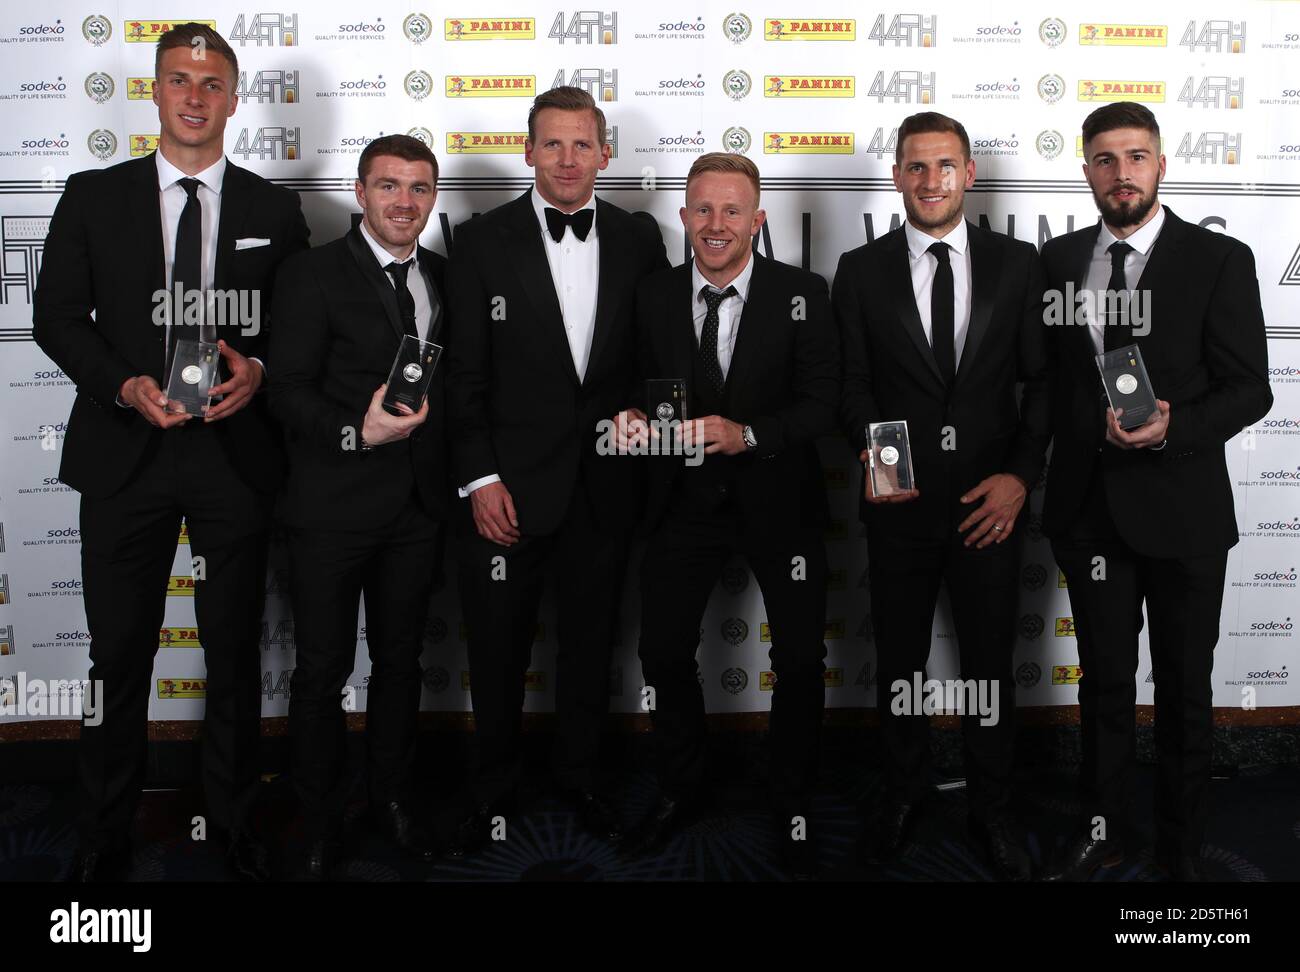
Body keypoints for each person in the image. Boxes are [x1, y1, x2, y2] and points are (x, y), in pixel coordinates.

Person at [32, 22, 309, 881]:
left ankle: (227, 821)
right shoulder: (91, 194)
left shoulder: (274, 209)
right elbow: (56, 318)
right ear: (154, 92)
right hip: (126, 452)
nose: (195, 95)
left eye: (212, 81)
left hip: (234, 455)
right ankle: (105, 828)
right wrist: (123, 386)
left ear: (234, 97)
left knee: (230, 648)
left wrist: (259, 371)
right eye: (179, 78)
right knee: (118, 652)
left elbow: (297, 333)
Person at [1039, 102, 1272, 882]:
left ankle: (1179, 850)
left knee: (1183, 689)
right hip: (1090, 512)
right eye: (1105, 159)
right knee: (1104, 685)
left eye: (1136, 156)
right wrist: (1089, 426)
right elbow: (1045, 387)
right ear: (1087, 172)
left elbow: (1250, 390)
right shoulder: (1059, 262)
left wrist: (1173, 426)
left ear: (1161, 165)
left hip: (1185, 516)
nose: (1122, 173)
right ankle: (1101, 831)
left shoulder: (1219, 259)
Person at [444, 86, 668, 853]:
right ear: (529, 150)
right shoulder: (478, 243)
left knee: (590, 646)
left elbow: (657, 359)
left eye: (583, 144)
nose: (569, 160)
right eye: (553, 144)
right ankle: (493, 787)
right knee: (497, 649)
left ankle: (581, 776)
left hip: (605, 488)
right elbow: (462, 379)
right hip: (506, 490)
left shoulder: (642, 240)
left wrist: (647, 411)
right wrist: (479, 479)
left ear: (606, 153)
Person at [834, 112, 1050, 880]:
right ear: (897, 176)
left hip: (991, 504)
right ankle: (903, 792)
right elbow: (851, 384)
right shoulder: (859, 272)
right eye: (916, 167)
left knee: (991, 661)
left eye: (946, 166)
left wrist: (1021, 477)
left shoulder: (1020, 265)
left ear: (970, 175)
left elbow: (1041, 383)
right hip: (900, 505)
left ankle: (990, 806)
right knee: (900, 661)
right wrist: (878, 457)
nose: (931, 181)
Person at [618, 152, 839, 878]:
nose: (716, 225)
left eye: (731, 211)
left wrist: (745, 434)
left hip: (782, 501)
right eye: (702, 210)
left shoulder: (804, 294)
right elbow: (623, 388)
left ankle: (792, 793)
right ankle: (683, 787)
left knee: (801, 657)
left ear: (758, 219)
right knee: (664, 654)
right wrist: (622, 417)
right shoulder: (649, 296)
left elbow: (822, 406)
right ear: (683, 217)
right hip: (680, 504)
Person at [268, 135, 450, 880]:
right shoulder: (311, 275)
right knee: (320, 671)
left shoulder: (445, 274)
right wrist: (357, 431)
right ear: (359, 190)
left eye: (418, 188)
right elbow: (285, 392)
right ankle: (317, 816)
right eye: (389, 187)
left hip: (418, 510)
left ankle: (391, 800)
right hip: (331, 508)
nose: (404, 202)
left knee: (402, 662)